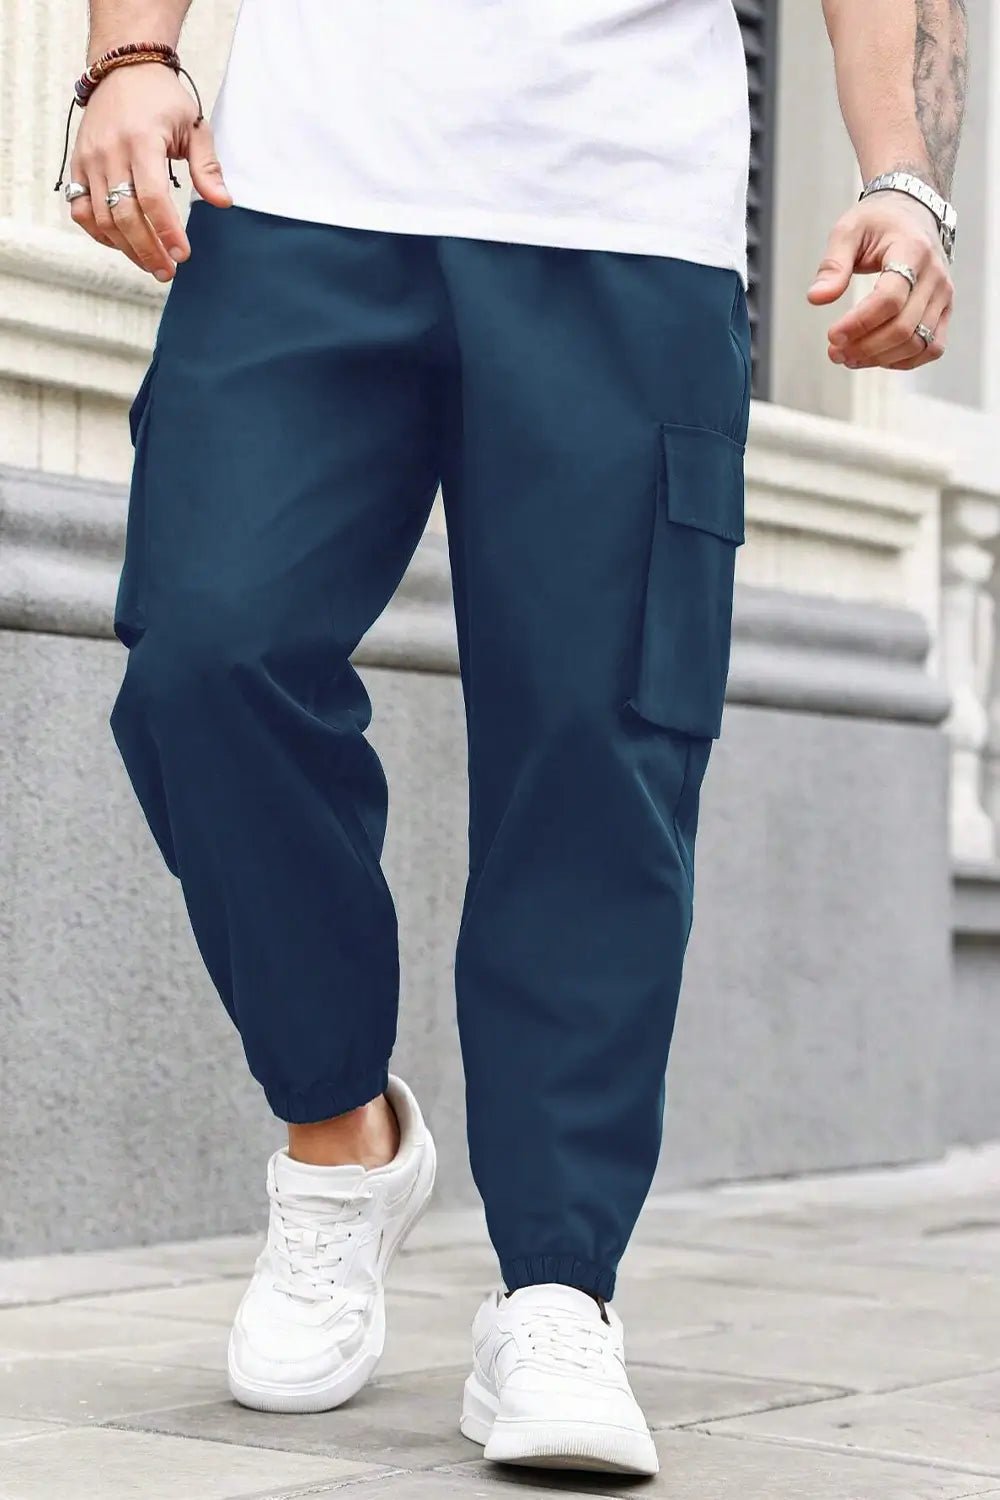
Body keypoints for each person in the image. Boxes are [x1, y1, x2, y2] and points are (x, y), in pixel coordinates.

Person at [65, 0, 965, 1476]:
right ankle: (339, 1137)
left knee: (598, 753)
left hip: (626, 218)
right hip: (296, 196)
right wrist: (130, 58)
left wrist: (905, 179)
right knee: (204, 655)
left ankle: (556, 1286)